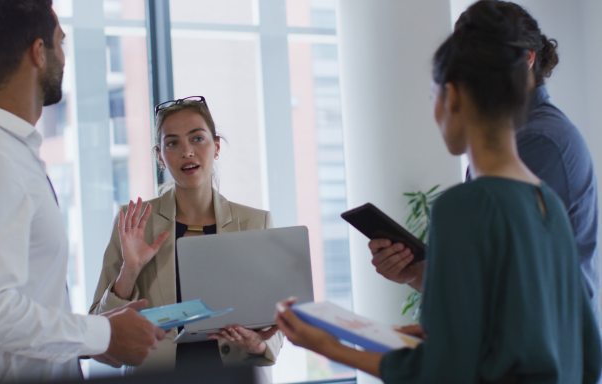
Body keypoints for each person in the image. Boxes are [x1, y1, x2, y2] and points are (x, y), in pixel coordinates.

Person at [275, 1, 602, 381]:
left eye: (433, 98)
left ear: (453, 96)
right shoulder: (547, 203)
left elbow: (443, 370)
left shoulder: (465, 206)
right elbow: (578, 347)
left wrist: (330, 346)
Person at [0, 1, 165, 382]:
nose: (63, 58)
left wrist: (93, 338)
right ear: (38, 52)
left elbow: (16, 311)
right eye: (59, 43)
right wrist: (104, 334)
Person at [370, 0, 600, 318]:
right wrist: (414, 273)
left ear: (526, 59)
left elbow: (507, 290)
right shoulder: (507, 144)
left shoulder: (537, 142)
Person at [89, 96, 283, 373]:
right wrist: (129, 270)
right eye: (173, 143)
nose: (187, 152)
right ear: (160, 156)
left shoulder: (254, 222)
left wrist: (259, 344)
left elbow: (276, 318)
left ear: (216, 146)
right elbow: (97, 328)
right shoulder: (134, 222)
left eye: (197, 139)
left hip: (234, 374)